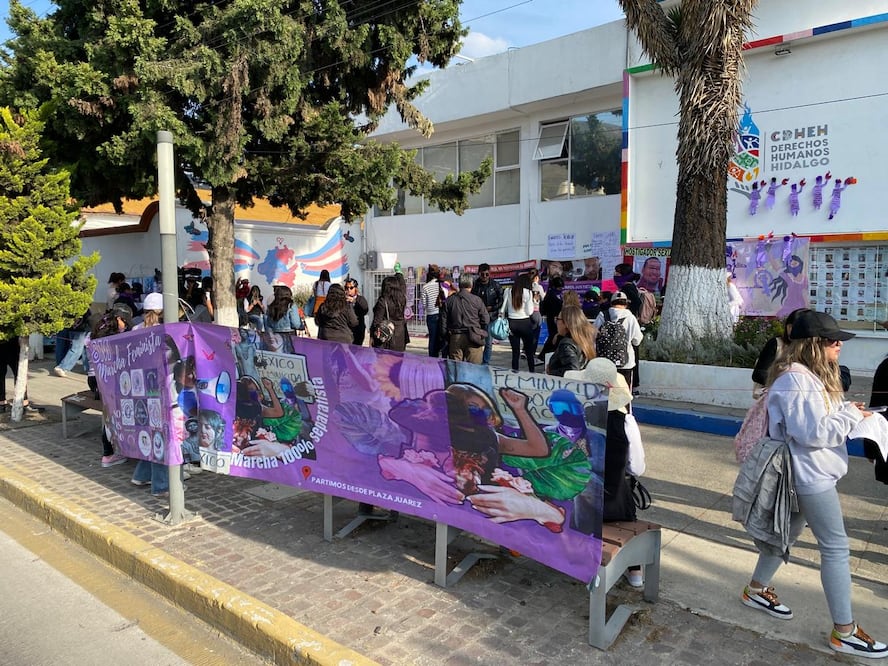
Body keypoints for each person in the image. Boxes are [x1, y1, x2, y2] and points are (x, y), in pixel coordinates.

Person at [740, 310, 888, 658]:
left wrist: (849, 411)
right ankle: (844, 631)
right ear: (812, 345)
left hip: (810, 472)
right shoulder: (796, 379)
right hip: (809, 475)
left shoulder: (811, 376)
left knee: (786, 536)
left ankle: (757, 589)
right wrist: (851, 414)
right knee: (836, 548)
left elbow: (819, 422)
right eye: (832, 340)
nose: (839, 344)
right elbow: (811, 433)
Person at [594, 291, 643, 389]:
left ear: (612, 303)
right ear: (626, 304)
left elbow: (593, 335)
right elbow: (637, 340)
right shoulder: (630, 318)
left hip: (604, 363)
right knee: (623, 396)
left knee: (604, 394)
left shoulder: (602, 316)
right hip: (625, 363)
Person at [440, 274, 489, 364]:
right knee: (474, 369)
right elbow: (486, 320)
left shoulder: (450, 301)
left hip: (455, 337)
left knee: (456, 370)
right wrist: (479, 329)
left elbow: (443, 324)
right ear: (471, 285)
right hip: (474, 336)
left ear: (459, 284)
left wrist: (448, 337)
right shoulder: (477, 300)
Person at [546, 305, 597, 377]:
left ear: (566, 324)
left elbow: (572, 369)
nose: (556, 322)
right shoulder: (586, 339)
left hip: (567, 385)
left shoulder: (566, 344)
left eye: (557, 319)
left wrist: (552, 372)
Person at [0, 333, 45, 414]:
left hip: (12, 344)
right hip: (11, 343)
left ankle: (19, 402)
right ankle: (5, 403)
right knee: (18, 374)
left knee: (20, 374)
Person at [500, 273, 536, 373]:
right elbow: (530, 312)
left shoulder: (508, 291)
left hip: (512, 323)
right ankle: (532, 372)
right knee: (529, 352)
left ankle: (515, 373)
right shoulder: (528, 292)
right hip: (525, 323)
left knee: (515, 352)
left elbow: (504, 309)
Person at [470, 263, 504, 365]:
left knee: (488, 343)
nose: (484, 277)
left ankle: (485, 363)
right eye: (482, 274)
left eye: (486, 274)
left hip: (490, 317)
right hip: (477, 317)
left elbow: (501, 300)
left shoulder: (495, 285)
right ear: (479, 274)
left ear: (490, 274)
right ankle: (477, 360)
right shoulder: (475, 285)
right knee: (477, 341)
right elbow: (470, 299)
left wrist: (492, 308)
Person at [371, 274, 409, 351]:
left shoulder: (383, 301)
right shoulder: (402, 300)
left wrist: (372, 336)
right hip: (401, 336)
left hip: (386, 337)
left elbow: (376, 322)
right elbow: (403, 287)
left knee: (384, 361)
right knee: (398, 360)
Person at [52, 308, 92, 377]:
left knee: (84, 348)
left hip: (74, 327)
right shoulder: (82, 306)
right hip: (81, 328)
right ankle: (62, 367)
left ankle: (89, 369)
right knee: (76, 349)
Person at [538, 275, 564, 361]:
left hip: (558, 318)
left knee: (555, 337)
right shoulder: (550, 295)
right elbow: (546, 307)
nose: (561, 289)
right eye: (559, 287)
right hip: (552, 318)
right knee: (553, 336)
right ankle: (543, 355)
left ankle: (548, 354)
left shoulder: (559, 295)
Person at [421, 264, 443, 357]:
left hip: (431, 315)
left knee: (432, 339)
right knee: (442, 338)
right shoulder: (442, 284)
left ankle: (432, 359)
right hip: (442, 314)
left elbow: (424, 303)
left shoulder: (425, 287)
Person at [344, 277, 369, 345]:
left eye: (351, 288)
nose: (349, 290)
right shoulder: (342, 299)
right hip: (346, 331)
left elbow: (365, 309)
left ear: (356, 289)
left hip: (358, 330)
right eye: (346, 288)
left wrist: (354, 301)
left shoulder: (360, 299)